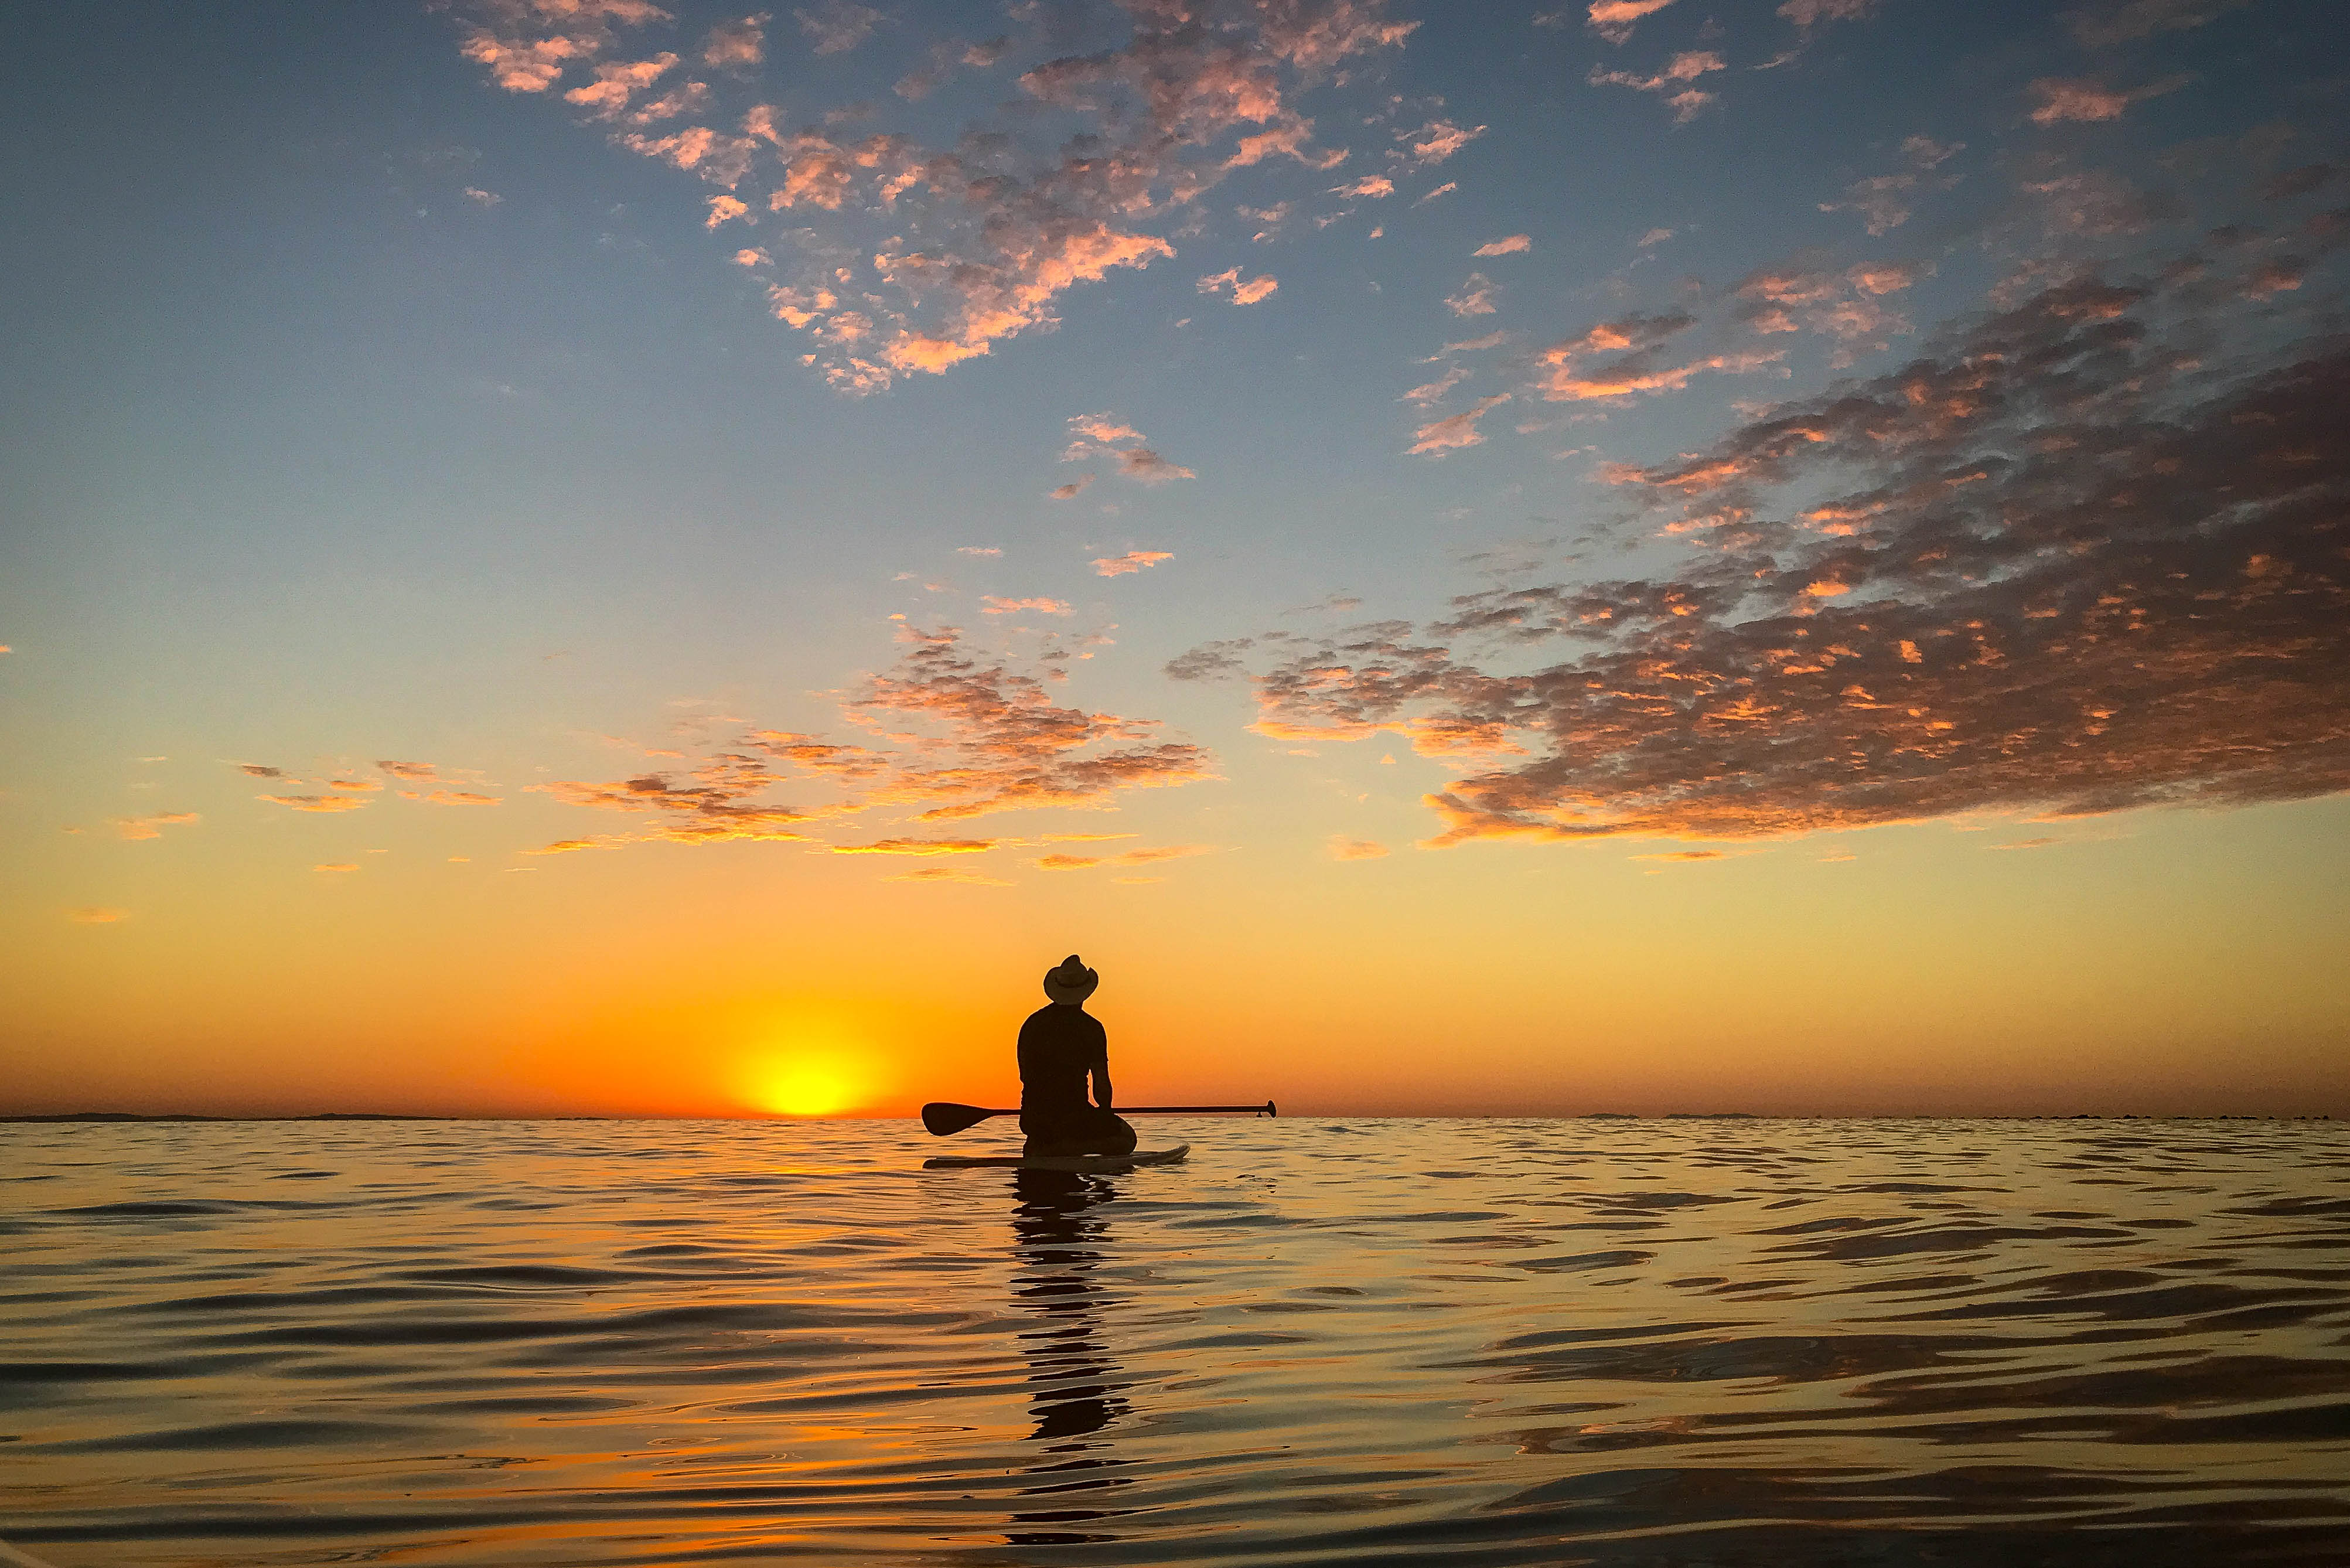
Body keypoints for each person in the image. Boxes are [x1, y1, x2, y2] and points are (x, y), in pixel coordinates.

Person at [1017, 955, 1138, 1158]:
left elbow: (1025, 1075)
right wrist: (1105, 1116)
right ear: (1085, 992)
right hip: (1074, 1118)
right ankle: (1069, 1148)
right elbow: (1101, 1086)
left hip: (1033, 1119)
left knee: (1048, 1129)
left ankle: (1043, 1146)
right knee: (1127, 1139)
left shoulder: (1031, 1025)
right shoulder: (1092, 1028)